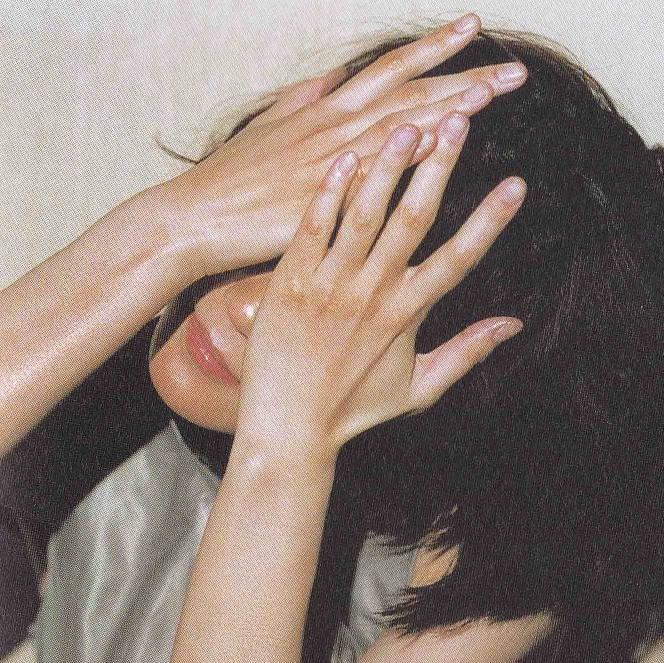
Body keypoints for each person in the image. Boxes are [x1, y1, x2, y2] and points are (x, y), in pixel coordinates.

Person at [1, 13, 662, 663]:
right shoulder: (113, 363)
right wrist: (170, 228)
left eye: (342, 304)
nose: (247, 309)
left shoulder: (518, 539)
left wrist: (287, 440)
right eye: (281, 230)